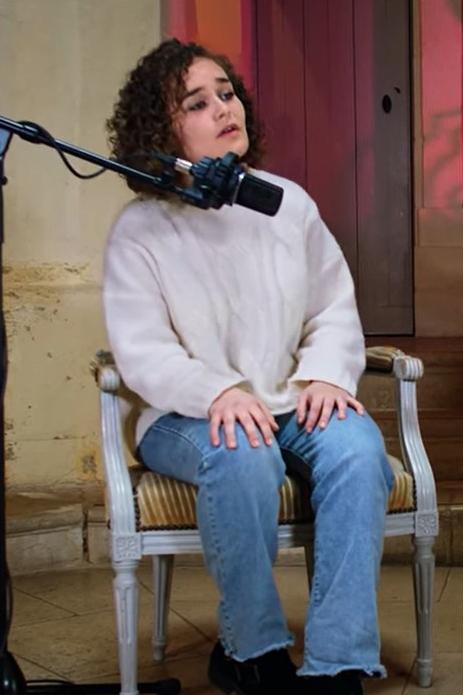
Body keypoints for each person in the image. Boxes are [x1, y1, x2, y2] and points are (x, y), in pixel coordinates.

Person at [104, 38, 395, 695]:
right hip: (185, 415)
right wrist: (220, 390)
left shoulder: (284, 204)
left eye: (226, 93)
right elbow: (142, 349)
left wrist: (325, 372)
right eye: (196, 102)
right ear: (161, 128)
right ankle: (250, 651)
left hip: (288, 401)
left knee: (355, 448)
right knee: (240, 451)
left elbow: (332, 308)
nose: (222, 108)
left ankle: (335, 662)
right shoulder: (141, 228)